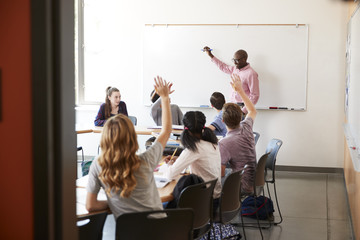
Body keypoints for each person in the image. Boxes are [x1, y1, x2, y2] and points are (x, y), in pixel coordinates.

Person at [85, 76, 173, 219]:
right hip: (159, 231)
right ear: (131, 137)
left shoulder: (98, 164)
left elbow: (90, 205)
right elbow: (167, 130)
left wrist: (114, 203)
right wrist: (164, 97)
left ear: (105, 139)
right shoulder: (147, 159)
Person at [162, 111, 222, 211]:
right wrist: (178, 160)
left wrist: (170, 165)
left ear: (185, 128)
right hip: (214, 200)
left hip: (201, 205)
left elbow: (169, 175)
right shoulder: (212, 143)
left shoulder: (193, 148)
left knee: (159, 206)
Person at [219, 74, 257, 194]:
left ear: (223, 121)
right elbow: (252, 110)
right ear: (241, 117)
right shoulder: (247, 127)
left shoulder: (224, 143)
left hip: (242, 186)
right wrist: (240, 90)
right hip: (254, 181)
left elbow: (220, 173)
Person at [203, 46, 260, 114]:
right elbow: (223, 66)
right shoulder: (235, 69)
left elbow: (255, 95)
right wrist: (210, 55)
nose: (234, 63)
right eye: (233, 60)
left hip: (242, 107)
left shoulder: (251, 73)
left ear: (244, 59)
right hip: (232, 106)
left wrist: (243, 111)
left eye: (237, 60)